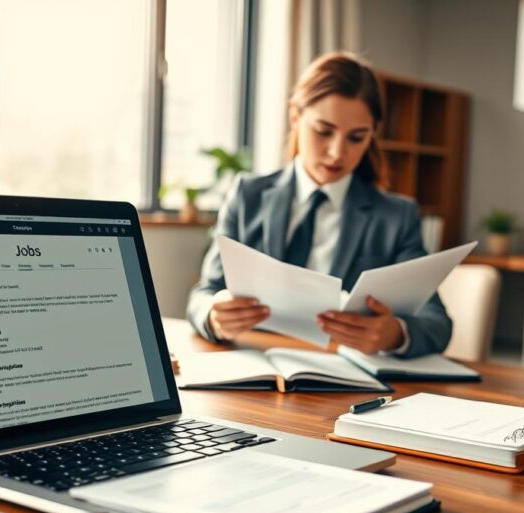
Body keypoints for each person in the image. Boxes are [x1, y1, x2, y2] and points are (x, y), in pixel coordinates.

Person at [186, 51, 452, 358]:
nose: (337, 152)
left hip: (343, 379)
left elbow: (437, 324)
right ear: (295, 117)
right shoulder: (248, 196)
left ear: (372, 135)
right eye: (323, 132)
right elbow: (203, 294)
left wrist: (393, 334)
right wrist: (213, 315)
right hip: (254, 366)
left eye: (357, 137)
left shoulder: (395, 216)